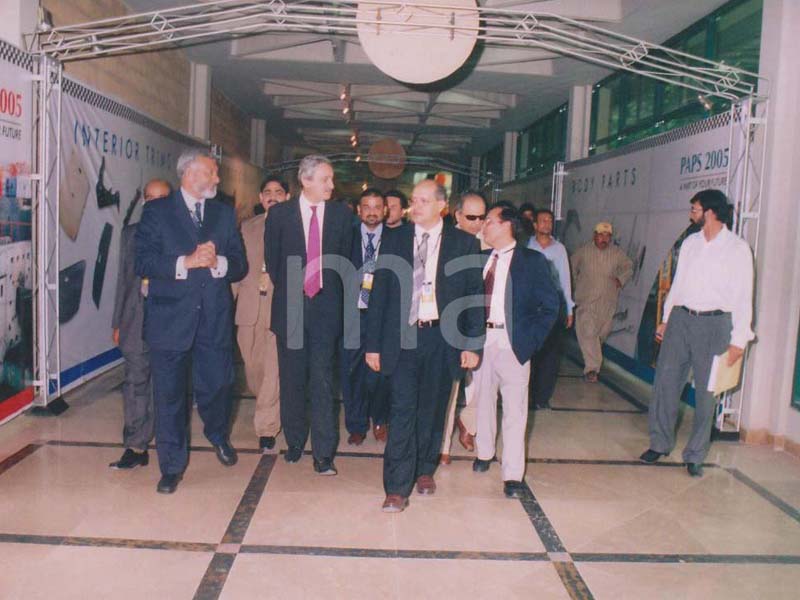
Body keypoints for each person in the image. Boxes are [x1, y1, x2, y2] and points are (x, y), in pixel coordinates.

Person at [365, 179, 485, 513]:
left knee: (433, 409)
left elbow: (474, 297)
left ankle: (424, 469)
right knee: (403, 409)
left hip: (442, 338)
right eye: (413, 200)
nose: (413, 207)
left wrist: (472, 345)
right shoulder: (394, 238)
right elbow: (379, 294)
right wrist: (372, 345)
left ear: (441, 206)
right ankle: (396, 487)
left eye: (422, 201)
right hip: (402, 336)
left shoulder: (464, 243)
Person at [135, 149, 246, 494]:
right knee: (169, 397)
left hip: (213, 319)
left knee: (219, 386)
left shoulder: (223, 213)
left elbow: (240, 264)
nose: (217, 179)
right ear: (190, 173)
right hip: (169, 320)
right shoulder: (156, 212)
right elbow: (143, 262)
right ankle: (171, 466)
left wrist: (218, 263)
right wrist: (186, 261)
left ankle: (217, 433)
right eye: (212, 172)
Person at [640, 190, 754, 477]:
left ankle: (695, 454)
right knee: (665, 384)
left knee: (706, 393)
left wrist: (739, 341)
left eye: (695, 209)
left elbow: (744, 298)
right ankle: (659, 443)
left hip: (715, 325)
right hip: (681, 320)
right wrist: (666, 319)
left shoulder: (738, 249)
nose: (691, 214)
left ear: (710, 212)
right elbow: (677, 284)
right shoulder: (690, 243)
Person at [264, 155, 353, 476]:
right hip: (291, 307)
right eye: (325, 179)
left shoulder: (342, 215)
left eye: (331, 179)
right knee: (291, 379)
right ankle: (295, 441)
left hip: (327, 311)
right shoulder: (279, 215)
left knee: (323, 382)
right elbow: (274, 263)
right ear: (306, 180)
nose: (331, 185)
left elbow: (347, 263)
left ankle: (324, 454)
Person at [471, 204, 559, 497]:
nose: (484, 226)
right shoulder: (481, 259)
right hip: (482, 340)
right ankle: (484, 453)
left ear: (507, 225)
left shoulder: (532, 261)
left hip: (514, 344)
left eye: (489, 221)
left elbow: (550, 307)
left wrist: (531, 341)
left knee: (515, 410)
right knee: (483, 401)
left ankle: (512, 474)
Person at [109, 178, 171, 470]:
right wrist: (117, 321)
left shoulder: (181, 235)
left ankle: (168, 443)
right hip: (134, 319)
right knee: (135, 381)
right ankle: (135, 446)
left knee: (166, 384)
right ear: (144, 200)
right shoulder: (130, 234)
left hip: (169, 320)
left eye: (161, 198)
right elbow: (123, 280)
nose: (154, 203)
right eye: (150, 197)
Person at [233, 175, 289, 453]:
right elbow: (237, 268)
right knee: (253, 368)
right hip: (249, 306)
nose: (272, 196)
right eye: (267, 191)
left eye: (278, 192)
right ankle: (267, 404)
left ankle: (267, 428)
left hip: (279, 307)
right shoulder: (247, 228)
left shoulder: (296, 228)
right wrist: (226, 302)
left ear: (287, 197)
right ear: (260, 198)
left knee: (273, 370)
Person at [439, 190, 489, 464]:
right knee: (451, 389)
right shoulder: (445, 242)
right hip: (454, 327)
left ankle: (467, 422)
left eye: (482, 217)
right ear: (457, 215)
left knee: (485, 386)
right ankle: (443, 446)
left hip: (487, 325)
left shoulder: (491, 240)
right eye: (472, 217)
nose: (478, 223)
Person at [342, 188, 390, 446]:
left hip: (383, 316)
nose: (372, 212)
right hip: (352, 314)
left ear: (385, 210)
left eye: (377, 207)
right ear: (359, 210)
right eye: (367, 207)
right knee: (352, 372)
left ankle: (380, 420)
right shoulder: (345, 237)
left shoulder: (396, 238)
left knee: (381, 372)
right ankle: (356, 424)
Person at [571, 222, 633, 382]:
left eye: (607, 236)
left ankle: (592, 360)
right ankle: (592, 369)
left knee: (600, 335)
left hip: (607, 303)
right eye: (601, 235)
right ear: (594, 235)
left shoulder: (617, 253)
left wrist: (621, 279)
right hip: (586, 301)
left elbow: (628, 266)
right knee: (588, 332)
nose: (604, 238)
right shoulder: (583, 251)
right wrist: (575, 285)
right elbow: (571, 267)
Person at [527, 208, 574, 408]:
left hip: (552, 307)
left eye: (550, 220)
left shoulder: (559, 249)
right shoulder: (525, 247)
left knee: (551, 354)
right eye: (543, 220)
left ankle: (542, 399)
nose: (547, 224)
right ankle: (528, 397)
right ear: (535, 225)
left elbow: (565, 279)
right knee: (530, 353)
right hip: (529, 308)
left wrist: (569, 309)